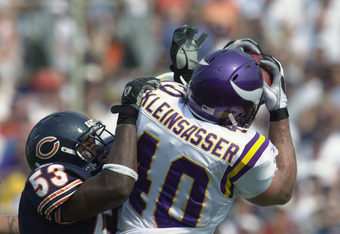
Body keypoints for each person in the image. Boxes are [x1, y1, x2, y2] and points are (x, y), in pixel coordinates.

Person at [111, 25, 297, 233]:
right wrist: (279, 111)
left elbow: (186, 96)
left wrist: (208, 67)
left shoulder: (153, 96)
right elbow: (282, 192)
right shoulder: (244, 148)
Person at [17, 77, 161, 233]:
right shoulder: (43, 177)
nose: (99, 149)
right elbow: (117, 186)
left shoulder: (96, 181)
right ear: (59, 152)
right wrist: (128, 114)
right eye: (88, 145)